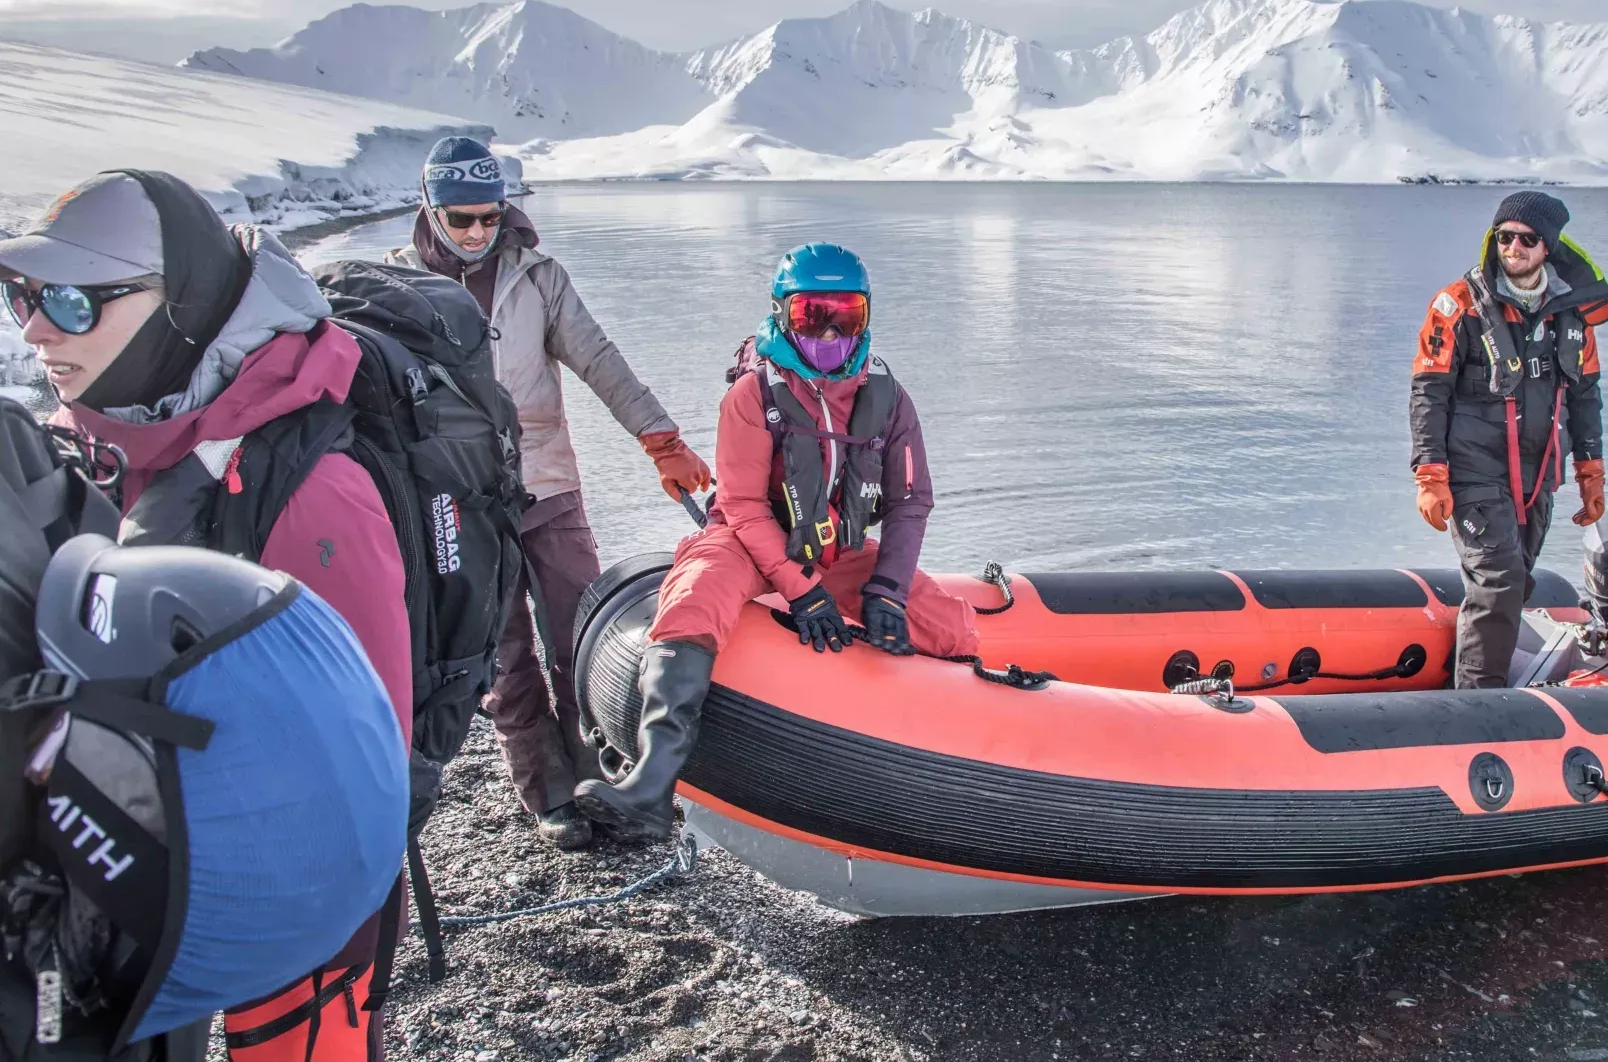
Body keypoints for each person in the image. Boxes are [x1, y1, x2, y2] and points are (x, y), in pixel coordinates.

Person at [0, 169, 411, 1060]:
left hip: (299, 915)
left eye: (72, 301)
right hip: (162, 865)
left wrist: (335, 947)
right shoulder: (126, 434)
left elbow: (364, 762)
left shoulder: (307, 490)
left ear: (175, 303)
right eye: (21, 295)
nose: (33, 327)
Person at [574, 242, 981, 839]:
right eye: (810, 314)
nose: (828, 331)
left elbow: (911, 501)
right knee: (697, 592)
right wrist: (801, 591)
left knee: (945, 623)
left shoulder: (889, 401)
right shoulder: (752, 397)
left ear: (865, 317)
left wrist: (888, 591)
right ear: (782, 313)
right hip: (747, 542)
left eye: (846, 316)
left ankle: (958, 767)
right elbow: (739, 505)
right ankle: (651, 783)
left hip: (835, 550)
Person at [389, 135, 711, 851]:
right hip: (456, 502)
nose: (477, 231)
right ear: (429, 209)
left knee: (581, 630)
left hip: (547, 483)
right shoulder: (399, 286)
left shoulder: (537, 277)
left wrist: (659, 438)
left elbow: (598, 358)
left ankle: (603, 772)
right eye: (461, 218)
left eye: (489, 215)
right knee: (502, 653)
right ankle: (549, 793)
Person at [1409, 190, 1608, 689]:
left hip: (1538, 475)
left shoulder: (1573, 317)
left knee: (1514, 584)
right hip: (1473, 470)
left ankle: (1465, 686)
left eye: (1526, 239)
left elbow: (1586, 398)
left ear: (1547, 247)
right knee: (1498, 584)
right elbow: (1428, 392)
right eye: (1505, 237)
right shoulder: (1457, 306)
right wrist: (1430, 474)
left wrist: (1591, 474)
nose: (1514, 247)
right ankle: (1479, 709)